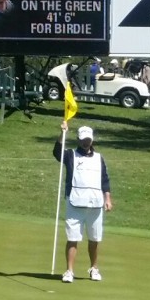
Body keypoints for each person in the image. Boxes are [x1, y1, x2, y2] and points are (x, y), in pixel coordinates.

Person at [53, 121, 113, 283]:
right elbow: (58, 153)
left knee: (94, 239)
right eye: (83, 139)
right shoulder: (71, 155)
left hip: (95, 204)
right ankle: (69, 271)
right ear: (78, 140)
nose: (86, 142)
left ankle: (94, 268)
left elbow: (104, 180)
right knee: (73, 238)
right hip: (75, 202)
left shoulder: (99, 158)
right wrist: (62, 133)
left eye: (88, 139)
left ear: (92, 140)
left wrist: (107, 198)